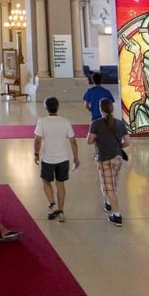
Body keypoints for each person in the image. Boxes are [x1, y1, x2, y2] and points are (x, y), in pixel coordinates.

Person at [33, 96, 80, 222]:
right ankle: (61, 211)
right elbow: (73, 141)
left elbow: (37, 140)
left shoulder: (42, 122)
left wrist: (36, 154)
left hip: (48, 159)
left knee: (45, 181)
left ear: (46, 107)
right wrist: (76, 158)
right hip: (63, 159)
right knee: (61, 185)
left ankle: (52, 204)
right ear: (57, 107)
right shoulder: (65, 122)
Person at [87, 97, 130, 227]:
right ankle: (108, 203)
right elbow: (127, 142)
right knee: (113, 182)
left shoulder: (96, 124)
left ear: (101, 109)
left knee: (108, 188)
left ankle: (116, 216)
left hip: (104, 158)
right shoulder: (120, 123)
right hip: (118, 158)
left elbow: (89, 141)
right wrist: (117, 147)